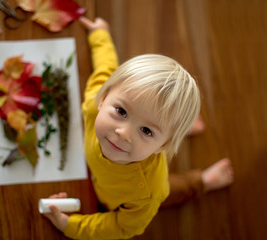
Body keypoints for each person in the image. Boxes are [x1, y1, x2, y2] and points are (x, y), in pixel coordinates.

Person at [43, 17, 233, 239]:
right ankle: (169, 128)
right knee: (154, 119)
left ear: (162, 146)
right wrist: (100, 34)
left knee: (172, 190)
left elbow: (125, 227)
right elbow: (106, 67)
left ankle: (203, 181)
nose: (123, 133)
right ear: (103, 98)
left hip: (140, 185)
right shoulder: (93, 101)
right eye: (121, 112)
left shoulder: (146, 192)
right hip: (111, 169)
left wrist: (71, 226)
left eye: (146, 130)